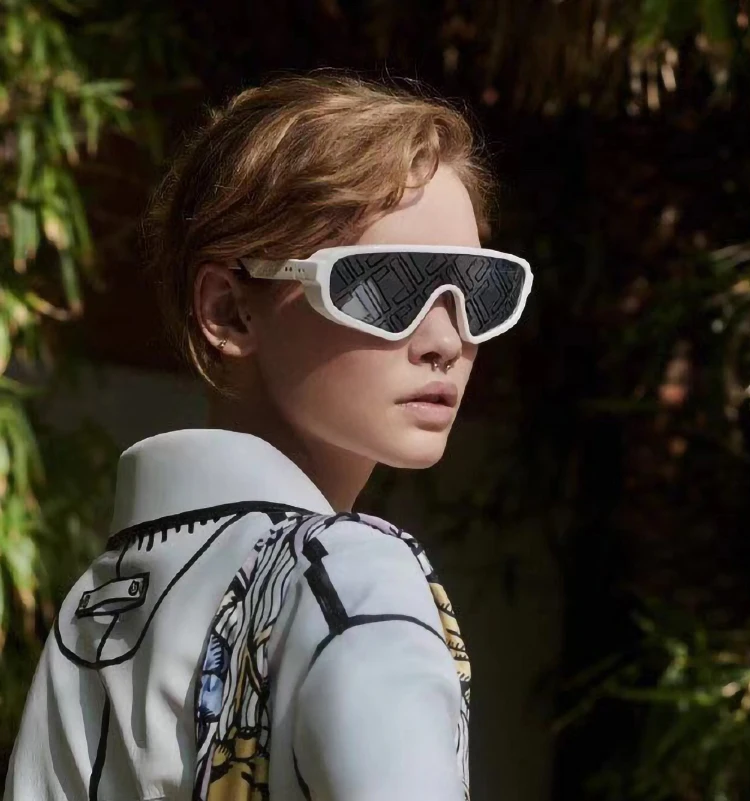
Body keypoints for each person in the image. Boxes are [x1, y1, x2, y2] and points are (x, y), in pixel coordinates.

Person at [3, 72, 532, 801]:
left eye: (480, 290)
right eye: (387, 287)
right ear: (229, 311)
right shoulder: (352, 575)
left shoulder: (97, 608)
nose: (447, 339)